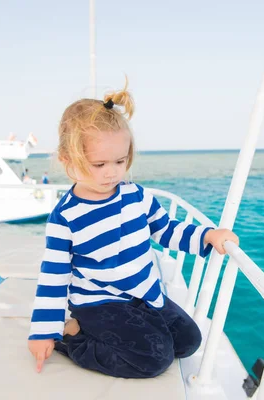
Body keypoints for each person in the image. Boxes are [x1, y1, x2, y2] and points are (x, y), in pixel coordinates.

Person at [27, 80, 239, 379]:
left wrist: (206, 235)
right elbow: (53, 277)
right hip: (100, 303)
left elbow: (165, 230)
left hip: (143, 293)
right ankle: (74, 337)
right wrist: (43, 332)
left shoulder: (136, 196)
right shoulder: (66, 217)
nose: (111, 172)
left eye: (120, 161)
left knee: (188, 341)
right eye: (98, 164)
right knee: (154, 360)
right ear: (67, 160)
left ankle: (119, 328)